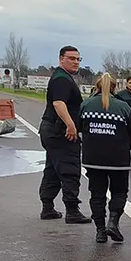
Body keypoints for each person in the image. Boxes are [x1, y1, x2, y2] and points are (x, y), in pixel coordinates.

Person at [80, 73, 131, 243]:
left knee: (97, 194)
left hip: (93, 159)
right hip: (118, 159)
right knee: (119, 191)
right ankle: (113, 221)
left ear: (96, 87)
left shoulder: (86, 105)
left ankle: (100, 231)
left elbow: (78, 128)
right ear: (114, 88)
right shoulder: (123, 107)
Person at [38, 45, 91, 224]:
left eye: (78, 59)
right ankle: (72, 210)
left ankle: (47, 207)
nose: (76, 62)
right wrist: (71, 125)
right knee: (69, 169)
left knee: (52, 170)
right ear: (61, 59)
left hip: (51, 130)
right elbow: (59, 104)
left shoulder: (63, 77)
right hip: (60, 131)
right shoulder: (62, 79)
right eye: (71, 58)